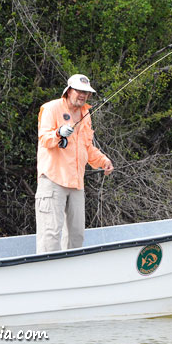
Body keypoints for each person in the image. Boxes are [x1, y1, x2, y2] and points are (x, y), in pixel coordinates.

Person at [35, 73, 114, 253]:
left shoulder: (85, 114)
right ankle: (47, 276)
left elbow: (87, 147)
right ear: (69, 90)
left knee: (76, 235)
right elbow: (44, 139)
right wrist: (58, 133)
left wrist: (103, 161)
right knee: (51, 235)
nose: (83, 95)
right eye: (79, 90)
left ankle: (70, 275)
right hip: (53, 179)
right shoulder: (51, 108)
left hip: (76, 183)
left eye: (86, 92)